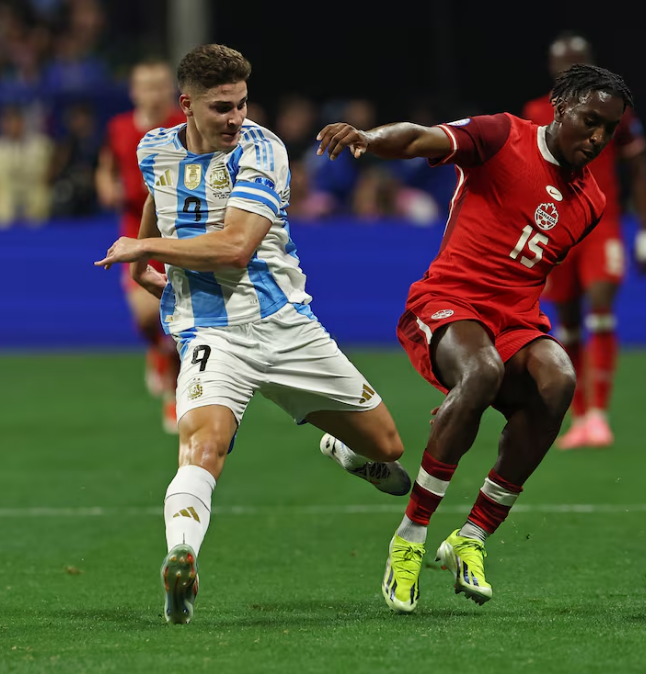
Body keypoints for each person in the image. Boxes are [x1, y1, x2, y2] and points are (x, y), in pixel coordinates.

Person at [94, 44, 410, 624]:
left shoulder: (262, 149)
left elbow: (236, 249)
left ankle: (344, 450)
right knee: (202, 446)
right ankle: (181, 558)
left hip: (286, 326)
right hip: (214, 335)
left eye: (242, 103)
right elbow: (158, 202)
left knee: (388, 450)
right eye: (222, 108)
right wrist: (144, 267)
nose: (237, 117)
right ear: (186, 106)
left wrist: (145, 250)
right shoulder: (153, 149)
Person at [316, 63, 633, 613]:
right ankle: (409, 539)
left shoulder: (591, 203)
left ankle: (472, 537)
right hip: (447, 302)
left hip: (515, 323)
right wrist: (368, 138)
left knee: (559, 379)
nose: (598, 138)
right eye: (590, 121)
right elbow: (420, 137)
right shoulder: (501, 135)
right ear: (561, 107)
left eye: (610, 130)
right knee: (480, 371)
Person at [522, 31, 646, 449]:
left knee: (601, 310)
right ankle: (579, 416)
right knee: (569, 324)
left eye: (577, 62)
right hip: (556, 229)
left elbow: (639, 169)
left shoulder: (615, 111)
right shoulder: (536, 111)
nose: (569, 69)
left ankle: (599, 413)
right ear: (552, 68)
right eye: (563, 63)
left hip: (602, 226)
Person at [95, 57, 185, 432]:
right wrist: (105, 185)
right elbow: (107, 165)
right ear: (134, 91)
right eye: (145, 85)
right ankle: (158, 351)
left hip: (179, 231)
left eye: (160, 84)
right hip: (137, 228)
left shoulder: (183, 125)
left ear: (172, 90)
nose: (153, 92)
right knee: (147, 315)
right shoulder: (118, 128)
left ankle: (177, 393)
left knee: (182, 321)